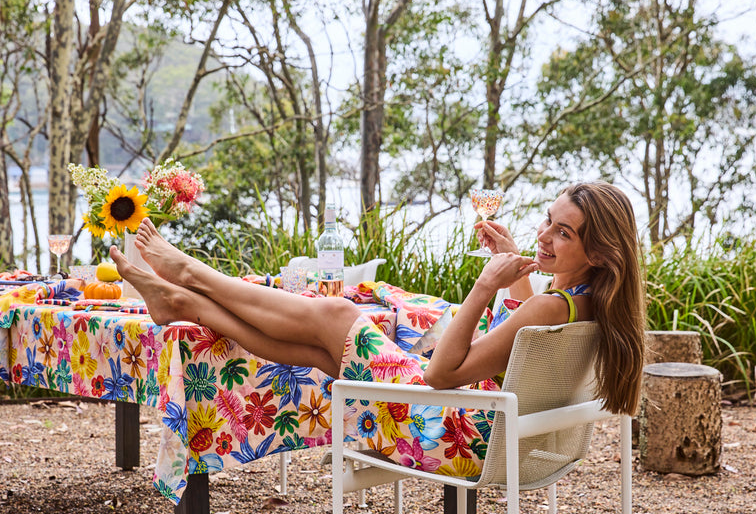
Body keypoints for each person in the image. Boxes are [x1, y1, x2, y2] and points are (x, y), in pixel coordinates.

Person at [110, 180, 644, 473]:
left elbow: (440, 375)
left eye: (563, 233)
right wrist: (512, 271)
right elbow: (517, 341)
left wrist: (484, 286)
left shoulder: (556, 307)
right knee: (324, 351)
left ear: (597, 251)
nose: (545, 235)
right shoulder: (585, 302)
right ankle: (185, 301)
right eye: (547, 220)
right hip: (483, 429)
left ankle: (191, 275)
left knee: (341, 315)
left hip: (450, 437)